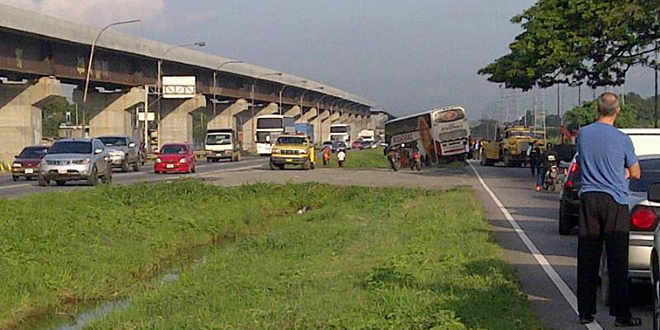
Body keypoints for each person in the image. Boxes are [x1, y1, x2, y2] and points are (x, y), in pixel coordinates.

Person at [576, 92, 641, 327]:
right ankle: (621, 314)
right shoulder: (623, 139)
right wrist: (623, 172)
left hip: (590, 198)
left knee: (587, 257)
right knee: (617, 261)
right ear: (617, 111)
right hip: (615, 200)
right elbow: (635, 172)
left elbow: (584, 162)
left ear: (597, 109)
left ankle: (585, 311)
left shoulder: (583, 134)